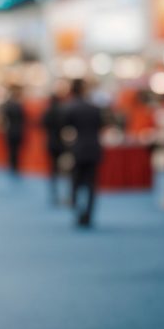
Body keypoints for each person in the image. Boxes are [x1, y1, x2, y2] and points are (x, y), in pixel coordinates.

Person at [63, 79, 103, 228]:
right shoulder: (95, 108)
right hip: (93, 148)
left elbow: (66, 131)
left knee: (75, 182)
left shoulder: (70, 108)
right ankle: (89, 214)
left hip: (77, 149)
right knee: (91, 184)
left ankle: (77, 210)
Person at [41, 92, 66, 206]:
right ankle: (65, 192)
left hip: (51, 142)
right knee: (64, 168)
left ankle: (54, 190)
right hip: (62, 143)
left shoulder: (48, 112)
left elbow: (42, 124)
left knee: (53, 167)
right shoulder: (63, 111)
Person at [2, 86, 26, 176]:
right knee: (16, 149)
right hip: (18, 129)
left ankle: (12, 165)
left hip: (10, 130)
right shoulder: (20, 106)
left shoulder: (8, 106)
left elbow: (3, 118)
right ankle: (15, 165)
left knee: (11, 149)